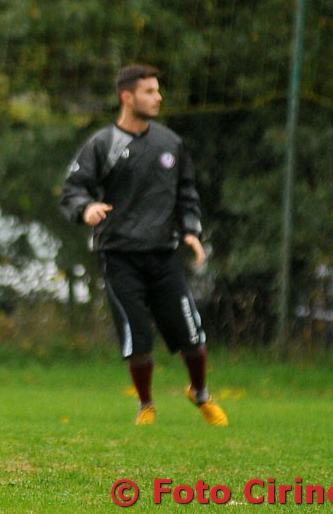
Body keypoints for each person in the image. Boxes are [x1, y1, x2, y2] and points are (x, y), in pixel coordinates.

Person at [59, 64, 227, 427]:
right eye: (150, 91)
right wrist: (86, 208)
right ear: (127, 97)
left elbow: (186, 193)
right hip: (118, 256)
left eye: (157, 90)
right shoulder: (103, 144)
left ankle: (200, 393)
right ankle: (146, 406)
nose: (158, 97)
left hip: (164, 256)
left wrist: (191, 231)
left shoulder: (170, 143)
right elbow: (72, 190)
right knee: (137, 337)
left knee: (192, 335)